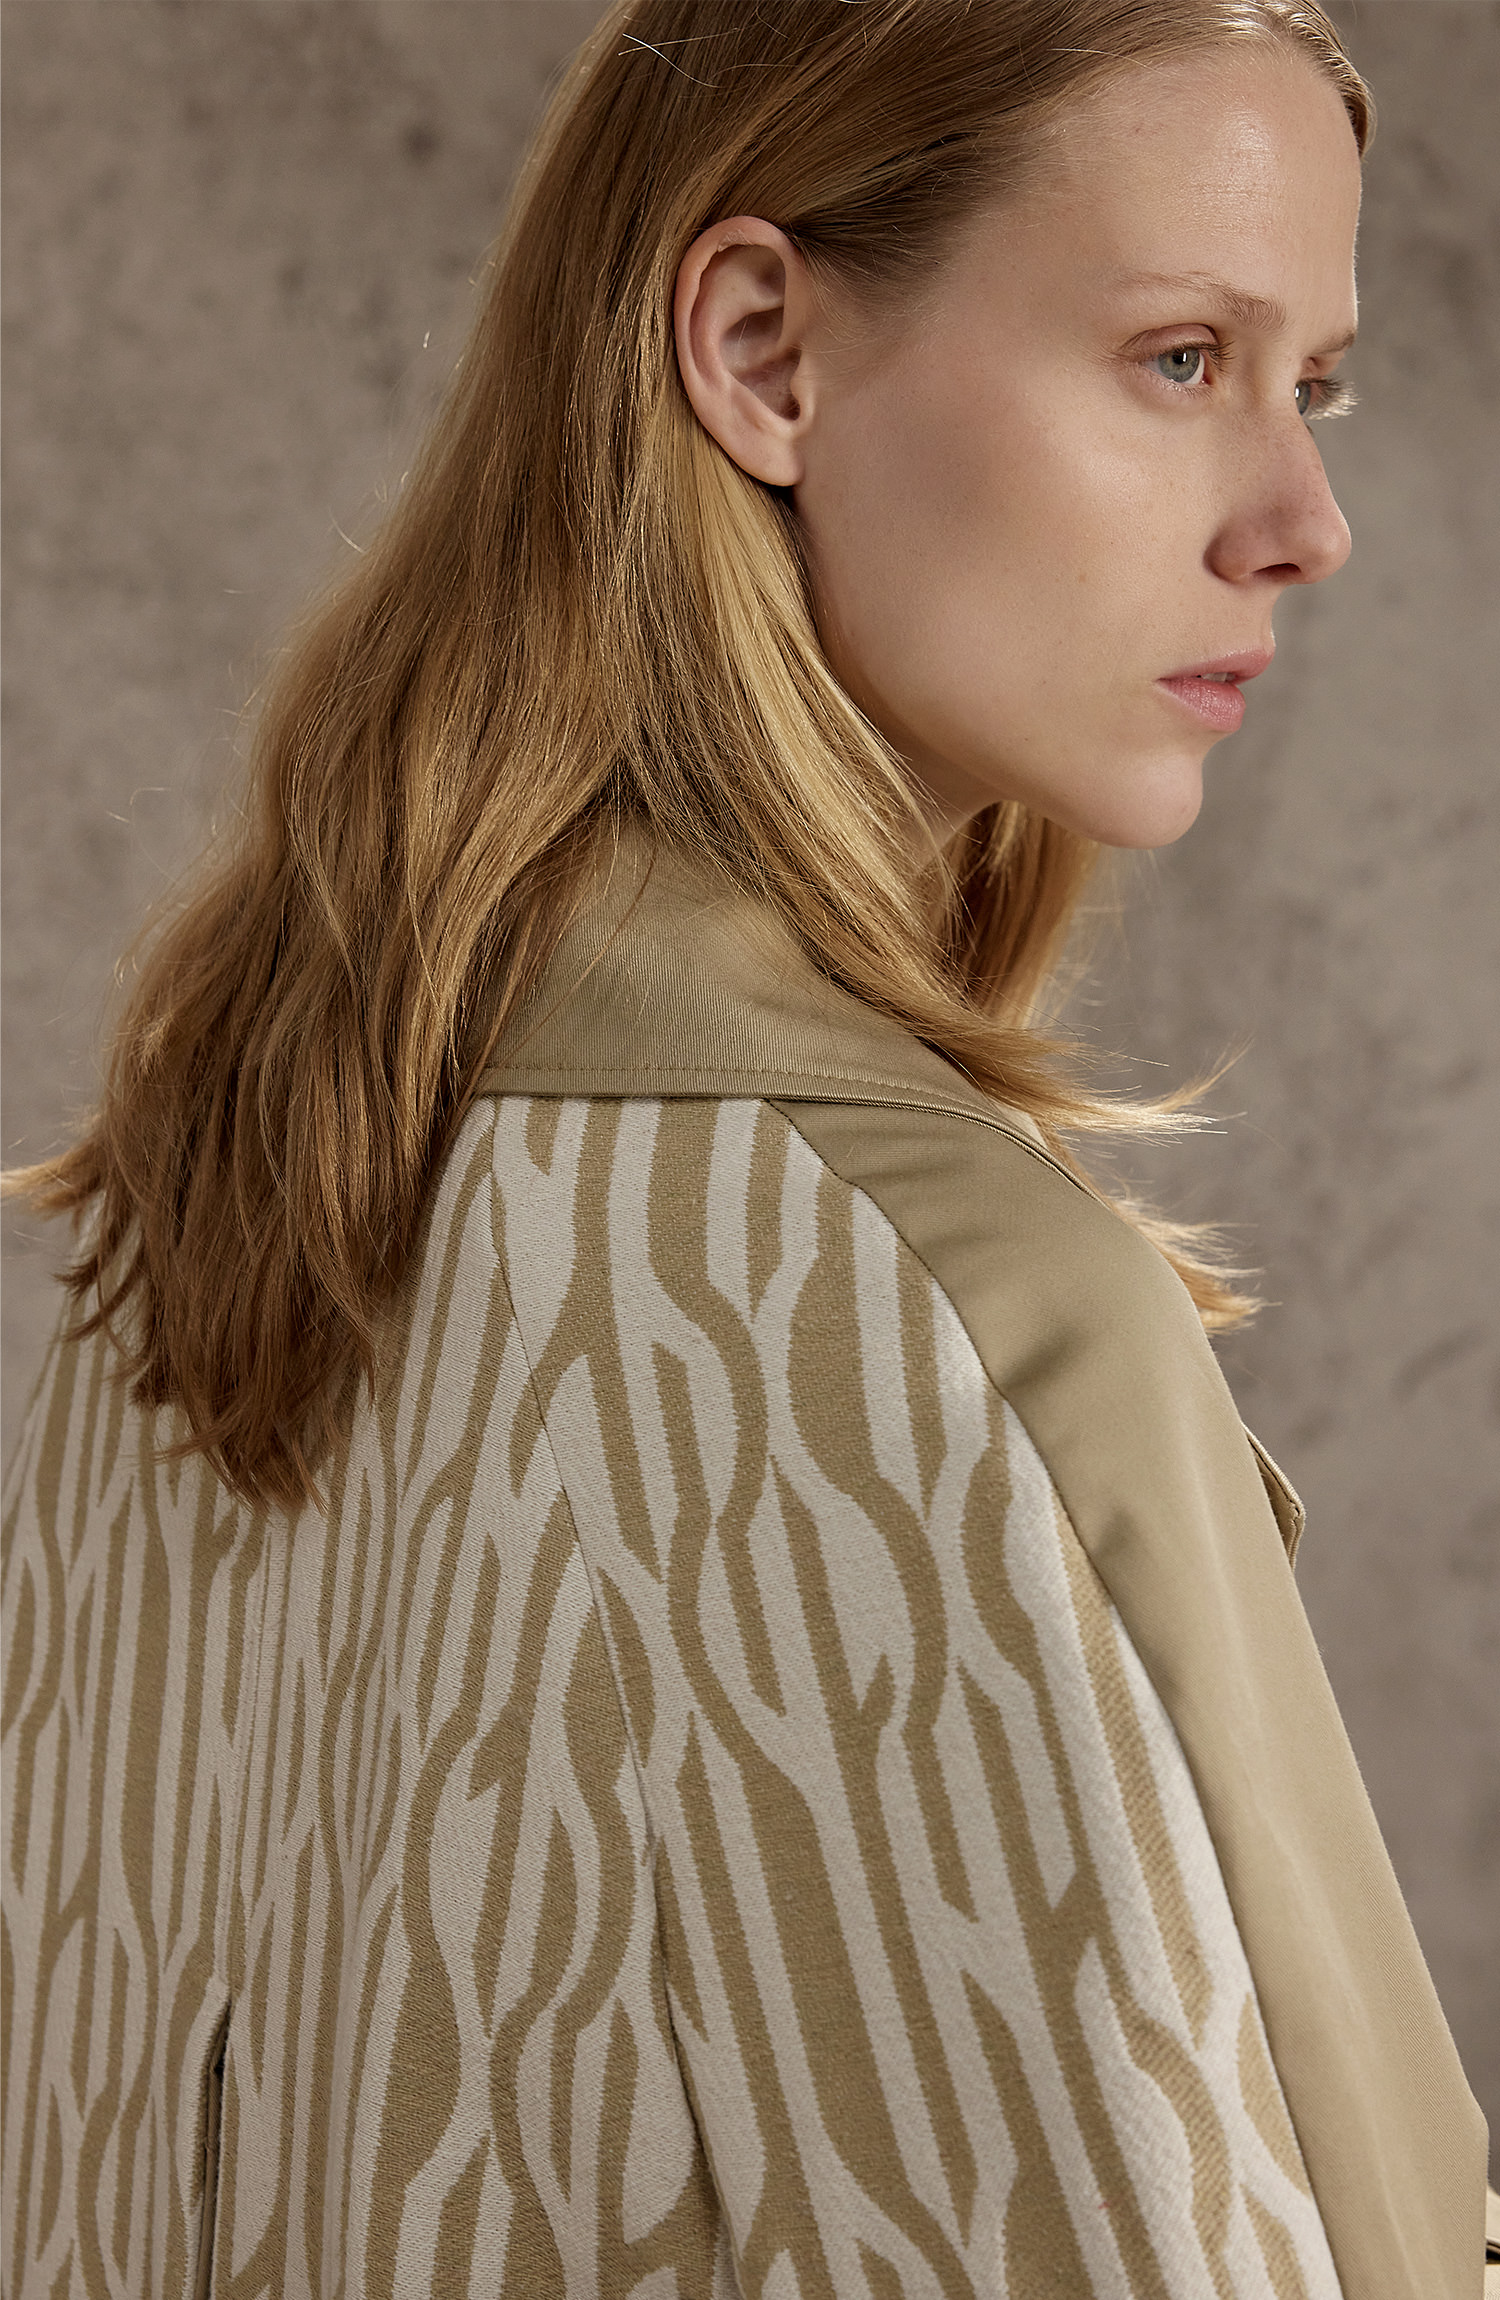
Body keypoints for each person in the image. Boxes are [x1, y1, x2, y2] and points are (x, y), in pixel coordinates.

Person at [1, 0, 1487, 2292]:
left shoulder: (199, 1214)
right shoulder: (966, 1312)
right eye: (1182, 358)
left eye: (1323, 384)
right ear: (764, 354)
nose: (1304, 523)